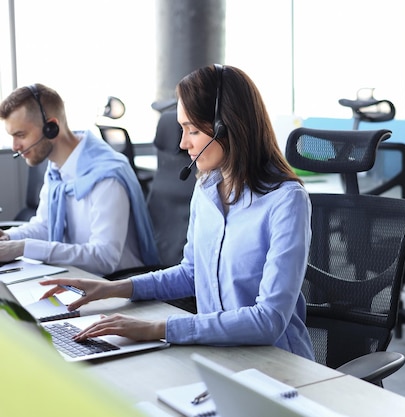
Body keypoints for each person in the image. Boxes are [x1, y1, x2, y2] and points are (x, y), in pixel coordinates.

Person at [41, 64, 315, 359]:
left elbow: (268, 321)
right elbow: (191, 273)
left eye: (192, 130)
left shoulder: (285, 201)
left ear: (227, 127)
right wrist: (111, 288)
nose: (183, 143)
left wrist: (156, 329)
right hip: (219, 356)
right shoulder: (207, 188)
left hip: (279, 364)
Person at [0, 84, 159, 276]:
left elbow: (104, 257)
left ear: (51, 127)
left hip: (115, 285)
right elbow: (45, 226)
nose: (15, 146)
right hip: (76, 278)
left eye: (21, 135)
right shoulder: (56, 172)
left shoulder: (105, 177)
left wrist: (23, 248)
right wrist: (8, 238)